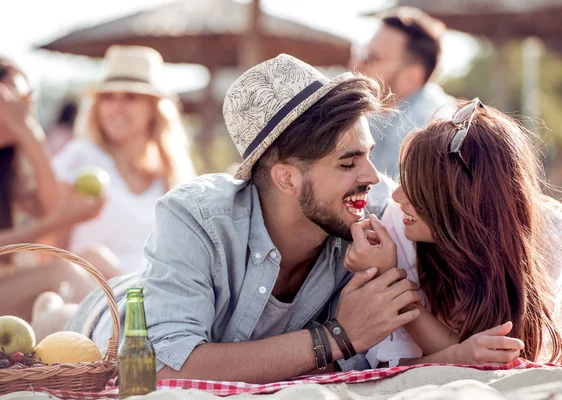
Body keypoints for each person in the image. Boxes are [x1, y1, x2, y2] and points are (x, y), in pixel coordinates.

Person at [57, 55, 526, 384]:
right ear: (286, 179)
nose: (372, 177)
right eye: (347, 163)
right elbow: (165, 370)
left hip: (168, 295)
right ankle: (55, 308)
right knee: (71, 311)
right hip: (114, 316)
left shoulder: (375, 217)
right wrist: (335, 338)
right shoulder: (195, 215)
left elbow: (377, 366)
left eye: (366, 156)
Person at [344, 98, 562, 367]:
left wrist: (458, 353)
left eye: (418, 187)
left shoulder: (548, 229)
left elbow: (512, 350)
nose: (397, 196)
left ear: (464, 201)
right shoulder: (399, 224)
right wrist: (391, 279)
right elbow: (388, 364)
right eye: (403, 179)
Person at [52, 45, 196, 278]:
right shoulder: (80, 157)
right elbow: (50, 249)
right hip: (91, 294)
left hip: (154, 295)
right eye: (108, 98)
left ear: (154, 108)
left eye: (131, 97)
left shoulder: (172, 175)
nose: (116, 108)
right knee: (94, 256)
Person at [0, 57, 103, 320]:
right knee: (61, 272)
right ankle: (129, 346)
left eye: (26, 99)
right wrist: (56, 221)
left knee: (95, 258)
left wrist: (31, 137)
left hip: (16, 296)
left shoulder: (15, 167)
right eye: (12, 102)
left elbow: (54, 207)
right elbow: (55, 219)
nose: (23, 111)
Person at [350, 7, 456, 179]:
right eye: (361, 53)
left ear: (412, 75)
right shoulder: (375, 115)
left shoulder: (433, 129)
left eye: (373, 57)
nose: (358, 64)